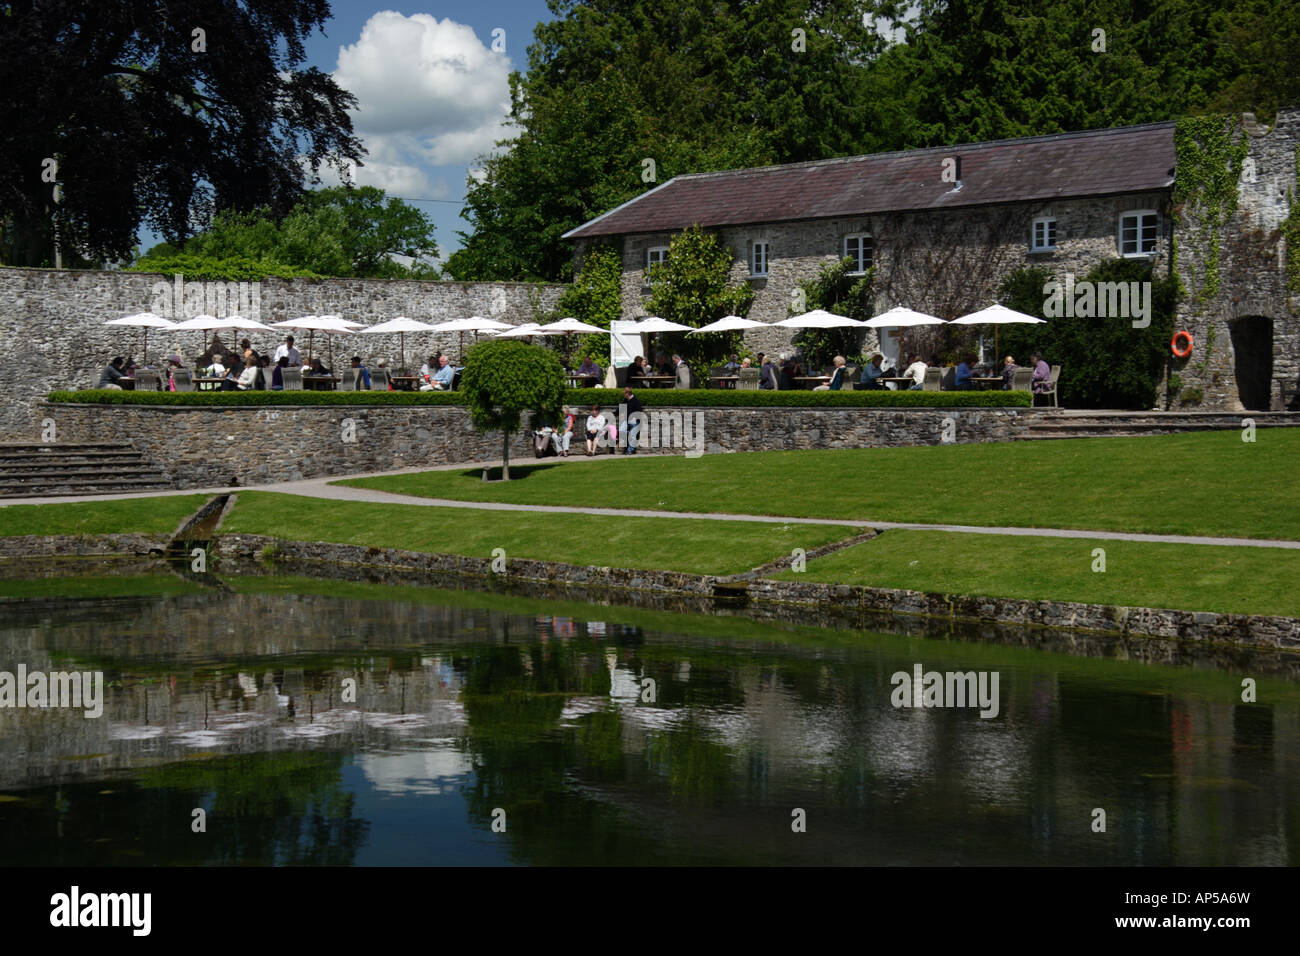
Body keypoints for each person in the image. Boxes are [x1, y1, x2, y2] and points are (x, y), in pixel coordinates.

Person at [621, 386, 644, 455]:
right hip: (627, 420)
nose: (623, 395)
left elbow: (640, 411)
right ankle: (629, 434)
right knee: (621, 431)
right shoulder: (625, 400)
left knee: (633, 435)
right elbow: (620, 408)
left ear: (628, 393)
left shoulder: (635, 400)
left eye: (624, 393)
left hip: (634, 421)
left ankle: (630, 450)